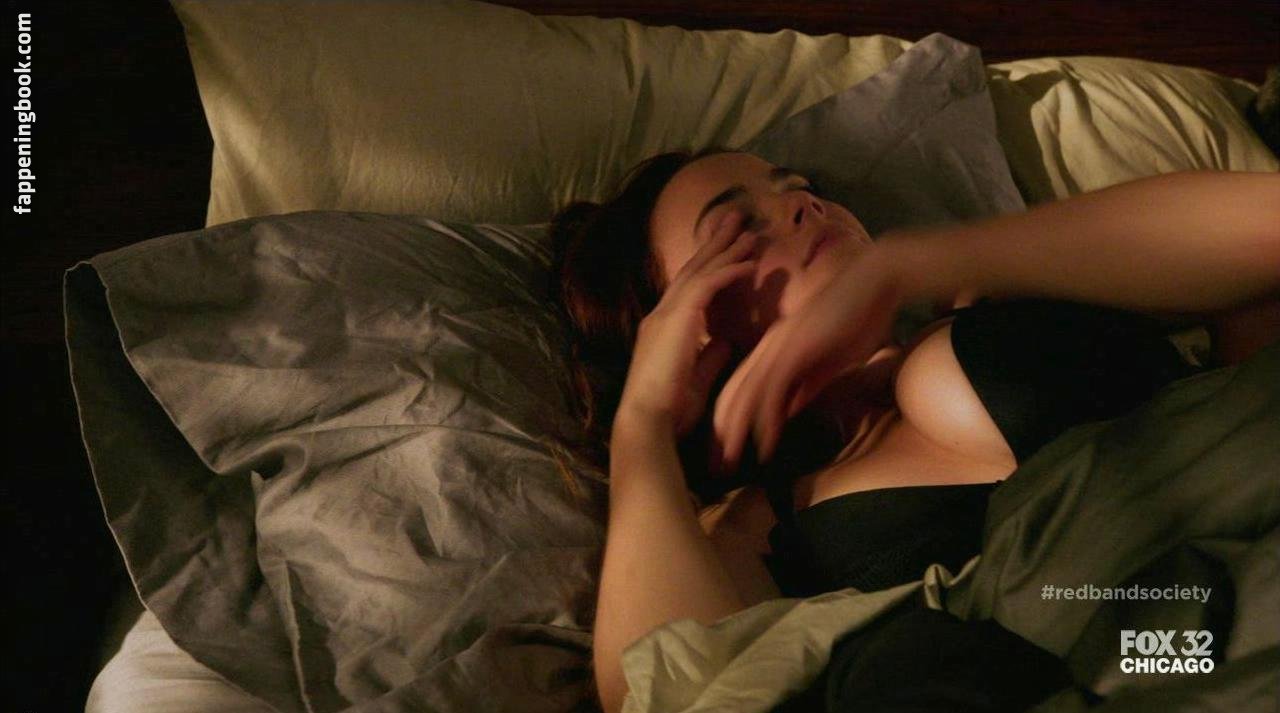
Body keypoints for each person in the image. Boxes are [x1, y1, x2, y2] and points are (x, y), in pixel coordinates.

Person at [547, 146, 1280, 713]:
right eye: (739, 232)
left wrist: (913, 265)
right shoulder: (751, 524)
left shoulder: (996, 289)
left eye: (796, 185)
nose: (800, 203)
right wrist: (642, 425)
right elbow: (672, 692)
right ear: (682, 330)